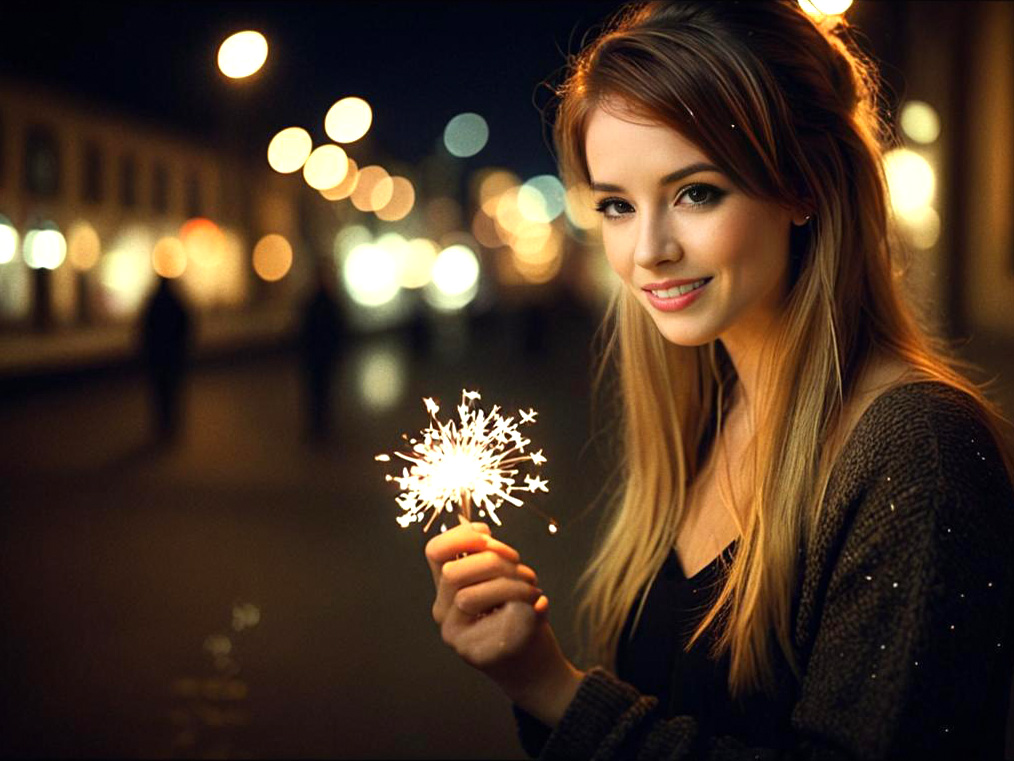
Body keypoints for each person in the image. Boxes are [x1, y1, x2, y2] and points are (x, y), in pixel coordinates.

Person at [423, 2, 1014, 759]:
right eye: (616, 205)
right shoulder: (704, 420)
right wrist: (535, 679)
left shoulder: (918, 453)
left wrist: (554, 688)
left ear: (802, 185)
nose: (648, 250)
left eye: (696, 191)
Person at [140, 276, 192, 443]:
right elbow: (187, 325)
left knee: (160, 395)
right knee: (172, 393)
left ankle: (163, 427)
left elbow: (144, 331)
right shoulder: (176, 303)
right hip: (173, 357)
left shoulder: (153, 304)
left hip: (158, 358)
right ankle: (171, 427)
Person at [298, 258, 344, 443]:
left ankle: (319, 426)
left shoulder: (314, 301)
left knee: (320, 393)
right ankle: (318, 427)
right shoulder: (323, 301)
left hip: (318, 356)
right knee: (318, 393)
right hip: (318, 356)